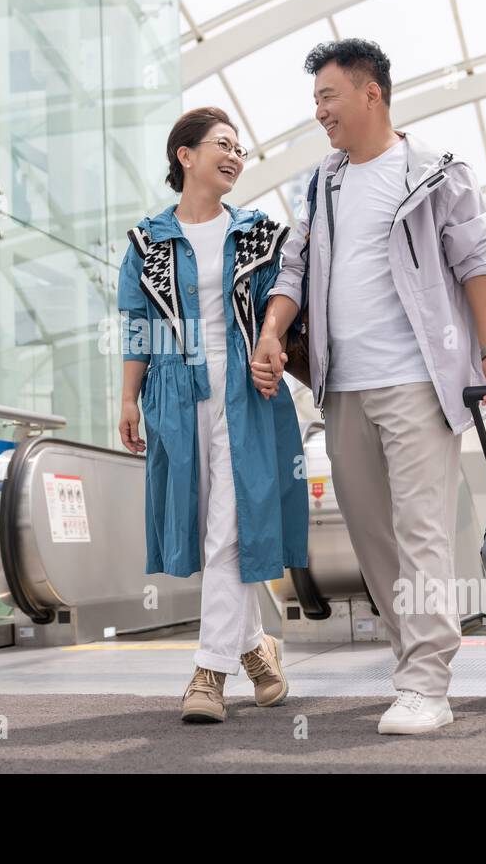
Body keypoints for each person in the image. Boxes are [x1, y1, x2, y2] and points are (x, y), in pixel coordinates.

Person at [250, 39, 486, 734]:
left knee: (421, 529)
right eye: (314, 101)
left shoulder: (435, 173)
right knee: (374, 537)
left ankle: (428, 680)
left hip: (416, 381)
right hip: (342, 388)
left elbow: (476, 268)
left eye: (328, 97)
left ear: (371, 93)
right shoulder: (320, 185)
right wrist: (275, 330)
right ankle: (412, 664)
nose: (319, 113)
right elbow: (291, 269)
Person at [117, 106, 309, 724]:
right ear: (186, 155)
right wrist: (128, 398)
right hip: (175, 394)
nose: (234, 156)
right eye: (222, 145)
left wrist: (271, 346)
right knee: (208, 529)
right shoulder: (147, 242)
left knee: (232, 523)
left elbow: (286, 301)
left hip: (246, 394)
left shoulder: (257, 233)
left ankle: (207, 674)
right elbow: (137, 327)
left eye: (240, 149)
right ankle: (256, 648)